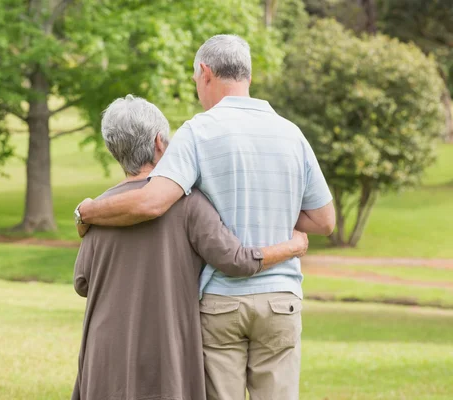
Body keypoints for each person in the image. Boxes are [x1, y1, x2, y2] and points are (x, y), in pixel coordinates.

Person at [74, 35, 335, 400]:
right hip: (281, 296)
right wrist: (290, 241)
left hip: (221, 302)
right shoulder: (292, 133)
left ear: (206, 73)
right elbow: (324, 222)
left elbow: (150, 202)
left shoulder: (197, 132)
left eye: (196, 80)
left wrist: (87, 210)